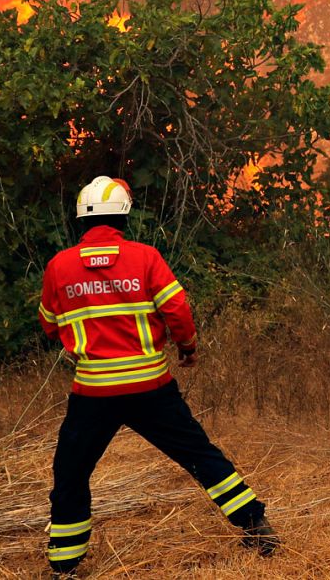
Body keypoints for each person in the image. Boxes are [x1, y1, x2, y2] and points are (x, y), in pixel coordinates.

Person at [37, 176, 278, 575]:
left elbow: (49, 325)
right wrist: (187, 348)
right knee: (199, 455)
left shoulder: (58, 266)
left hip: (92, 393)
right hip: (152, 387)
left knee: (71, 473)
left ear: (80, 219)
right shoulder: (146, 257)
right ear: (124, 218)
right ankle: (256, 526)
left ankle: (64, 563)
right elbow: (177, 310)